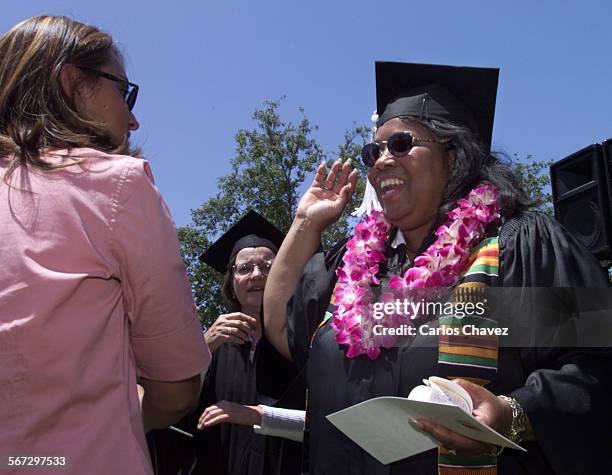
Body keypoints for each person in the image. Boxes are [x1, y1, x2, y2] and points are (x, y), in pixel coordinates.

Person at [263, 62, 612, 474]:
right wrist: (306, 222)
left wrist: (516, 413)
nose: (381, 161)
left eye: (401, 144)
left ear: (454, 155)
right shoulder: (355, 267)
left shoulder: (515, 250)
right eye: (373, 152)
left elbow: (595, 366)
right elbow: (284, 331)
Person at [0, 16, 210, 475]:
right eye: (124, 91)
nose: (133, 117)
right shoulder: (117, 187)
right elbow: (176, 388)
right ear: (73, 82)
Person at [148, 210, 303, 475]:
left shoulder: (304, 340)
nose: (256, 275)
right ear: (231, 284)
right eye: (244, 269)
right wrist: (203, 346)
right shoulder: (212, 345)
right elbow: (169, 410)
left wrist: (259, 415)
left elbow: (325, 425)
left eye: (268, 267)